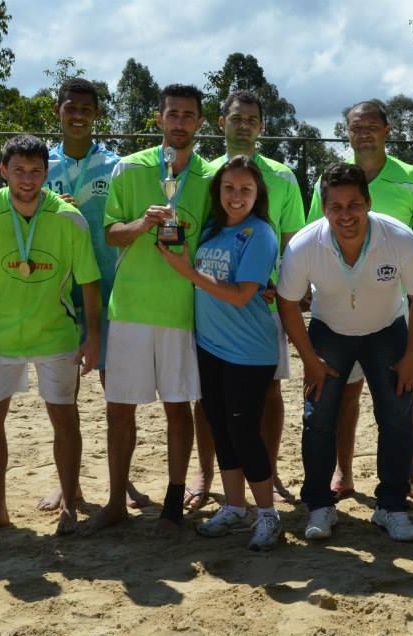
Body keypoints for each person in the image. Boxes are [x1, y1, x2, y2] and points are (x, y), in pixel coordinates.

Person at [277, 163, 413, 542]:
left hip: (386, 330)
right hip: (330, 331)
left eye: (354, 205)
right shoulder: (304, 245)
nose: (345, 215)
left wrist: (412, 357)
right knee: (318, 417)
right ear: (324, 208)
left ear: (368, 202)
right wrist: (309, 360)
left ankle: (391, 507)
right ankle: (319, 506)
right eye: (336, 207)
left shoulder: (399, 238)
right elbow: (287, 302)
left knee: (396, 415)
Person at [85, 84, 212, 537]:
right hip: (130, 309)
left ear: (200, 123)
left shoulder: (211, 176)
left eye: (188, 115)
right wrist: (143, 223)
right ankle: (115, 501)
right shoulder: (129, 167)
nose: (180, 122)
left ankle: (173, 505)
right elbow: (111, 233)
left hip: (182, 310)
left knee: (179, 408)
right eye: (172, 114)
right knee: (119, 409)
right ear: (158, 119)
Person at [308, 100, 413, 508]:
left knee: (401, 394)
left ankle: (410, 473)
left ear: (387, 130)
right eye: (355, 127)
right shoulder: (330, 180)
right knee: (345, 394)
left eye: (371, 126)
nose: (363, 133)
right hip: (340, 309)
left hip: (391, 308)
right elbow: (314, 234)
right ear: (346, 133)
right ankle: (343, 472)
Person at [0, 134, 101, 536]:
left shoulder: (69, 218)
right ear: (3, 171)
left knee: (65, 418)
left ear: (46, 173)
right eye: (19, 170)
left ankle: (69, 505)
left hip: (55, 335)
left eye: (36, 171)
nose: (27, 179)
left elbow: (89, 281)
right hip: (0, 335)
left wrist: (92, 335)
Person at [185, 89, 306, 509]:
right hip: (211, 306)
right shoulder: (205, 174)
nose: (244, 125)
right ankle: (206, 472)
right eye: (236, 118)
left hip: (262, 305)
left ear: (262, 126)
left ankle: (265, 471)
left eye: (252, 119)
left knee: (269, 392)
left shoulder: (282, 176)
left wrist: (286, 287)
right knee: (210, 400)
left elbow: (292, 242)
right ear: (222, 123)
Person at [159, 155, 282, 551]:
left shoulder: (260, 233)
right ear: (218, 191)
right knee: (221, 429)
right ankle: (234, 506)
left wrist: (188, 273)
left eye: (246, 189)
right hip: (210, 345)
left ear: (258, 193)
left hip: (248, 350)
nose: (236, 196)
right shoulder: (212, 228)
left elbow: (243, 294)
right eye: (229, 187)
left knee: (245, 432)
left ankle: (268, 515)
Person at [39, 77, 150, 513]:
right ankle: (68, 484)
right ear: (58, 111)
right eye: (71, 107)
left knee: (117, 396)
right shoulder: (41, 166)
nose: (78, 115)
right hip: (59, 297)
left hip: (108, 292)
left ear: (97, 114)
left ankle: (122, 481)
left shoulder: (116, 165)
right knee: (63, 398)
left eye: (86, 109)